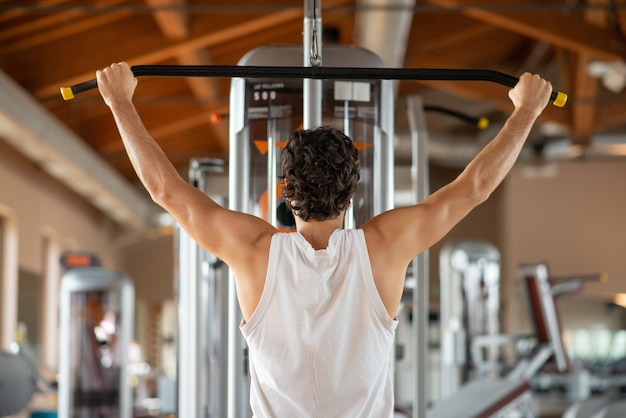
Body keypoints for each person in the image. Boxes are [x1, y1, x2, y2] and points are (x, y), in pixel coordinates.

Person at [96, 62, 553, 417]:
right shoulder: (383, 247)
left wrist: (119, 102)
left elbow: (164, 189)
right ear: (352, 194)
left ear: (285, 192)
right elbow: (473, 189)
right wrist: (527, 110)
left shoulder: (253, 251)